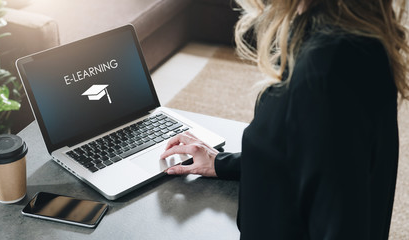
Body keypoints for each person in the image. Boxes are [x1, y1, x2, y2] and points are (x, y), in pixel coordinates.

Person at [160, 0, 409, 239]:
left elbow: (341, 223)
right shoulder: (354, 41)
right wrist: (222, 162)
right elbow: (310, 157)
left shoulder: (323, 76)